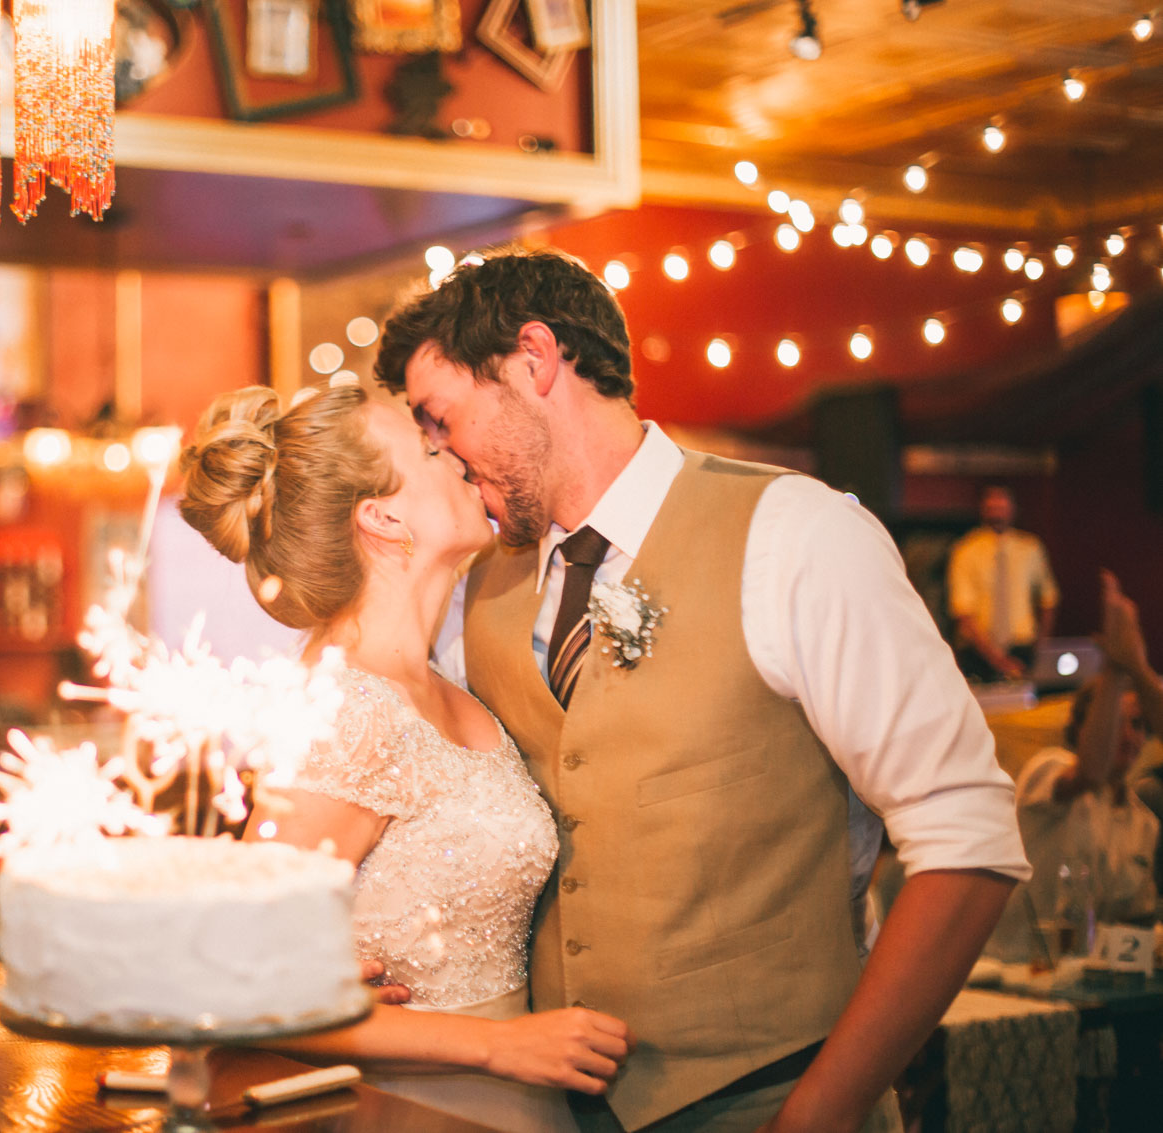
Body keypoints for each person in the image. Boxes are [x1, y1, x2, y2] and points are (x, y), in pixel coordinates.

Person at [372, 246, 1031, 1133]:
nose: (440, 455)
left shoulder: (796, 535)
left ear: (534, 360)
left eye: (440, 418)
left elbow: (968, 842)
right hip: (551, 1110)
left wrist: (817, 1116)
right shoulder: (474, 592)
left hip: (773, 1098)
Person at [177, 381, 630, 1132]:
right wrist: (498, 1045)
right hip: (424, 1107)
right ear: (382, 517)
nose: (453, 452)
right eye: (426, 448)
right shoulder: (345, 711)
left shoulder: (451, 684)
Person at [987, 572, 1160, 964]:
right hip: (1018, 972)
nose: (1130, 736)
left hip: (1089, 984)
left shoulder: (1144, 822)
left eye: (1139, 725)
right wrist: (1115, 669)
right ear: (1083, 728)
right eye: (1117, 722)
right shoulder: (1049, 771)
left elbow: (1132, 929)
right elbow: (1091, 773)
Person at [946, 485, 1059, 681]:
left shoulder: (1030, 548)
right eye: (992, 506)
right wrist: (997, 660)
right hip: (979, 651)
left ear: (1013, 509)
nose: (997, 510)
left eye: (1002, 505)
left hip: (1022, 646)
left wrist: (1041, 649)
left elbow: (1048, 600)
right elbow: (963, 611)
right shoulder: (965, 550)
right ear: (983, 509)